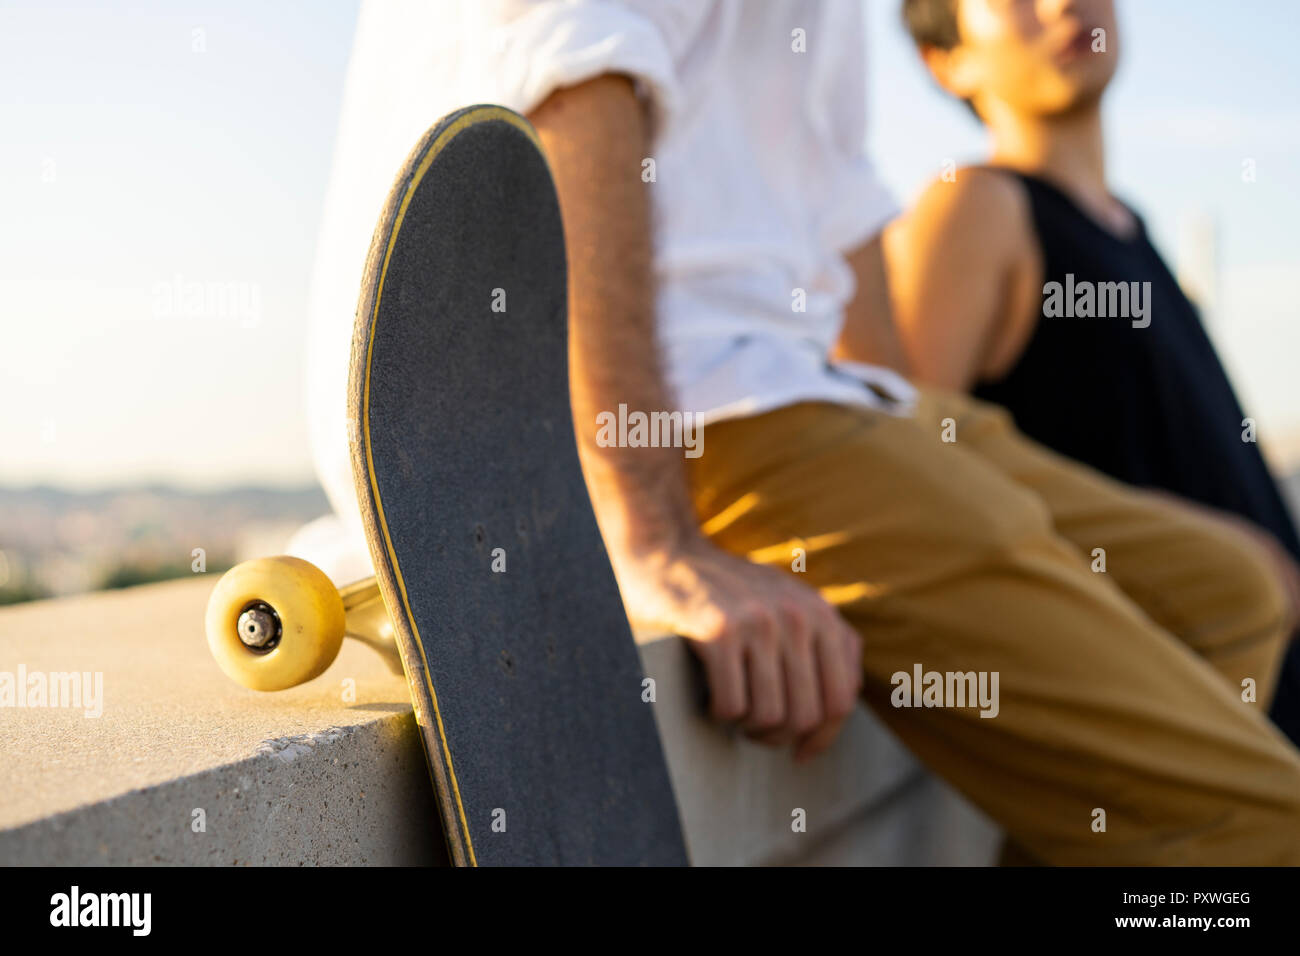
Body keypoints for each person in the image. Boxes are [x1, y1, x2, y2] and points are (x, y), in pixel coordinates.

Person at [297, 0, 1300, 864]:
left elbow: (839, 194)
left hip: (829, 389)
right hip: (709, 410)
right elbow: (570, 56)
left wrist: (925, 448)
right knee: (1274, 825)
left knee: (1229, 596)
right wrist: (645, 532)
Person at [878, 0, 1300, 746]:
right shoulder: (975, 205)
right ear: (947, 61)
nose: (1062, 5)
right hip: (1168, 726)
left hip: (1258, 699)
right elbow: (906, 463)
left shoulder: (1130, 224)